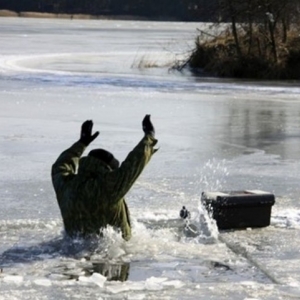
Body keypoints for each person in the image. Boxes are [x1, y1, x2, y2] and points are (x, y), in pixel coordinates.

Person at [51, 115, 158, 241]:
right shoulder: (108, 187)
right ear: (106, 168)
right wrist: (149, 136)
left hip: (72, 254)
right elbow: (134, 162)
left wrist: (82, 143)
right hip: (111, 254)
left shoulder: (66, 185)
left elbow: (60, 166)